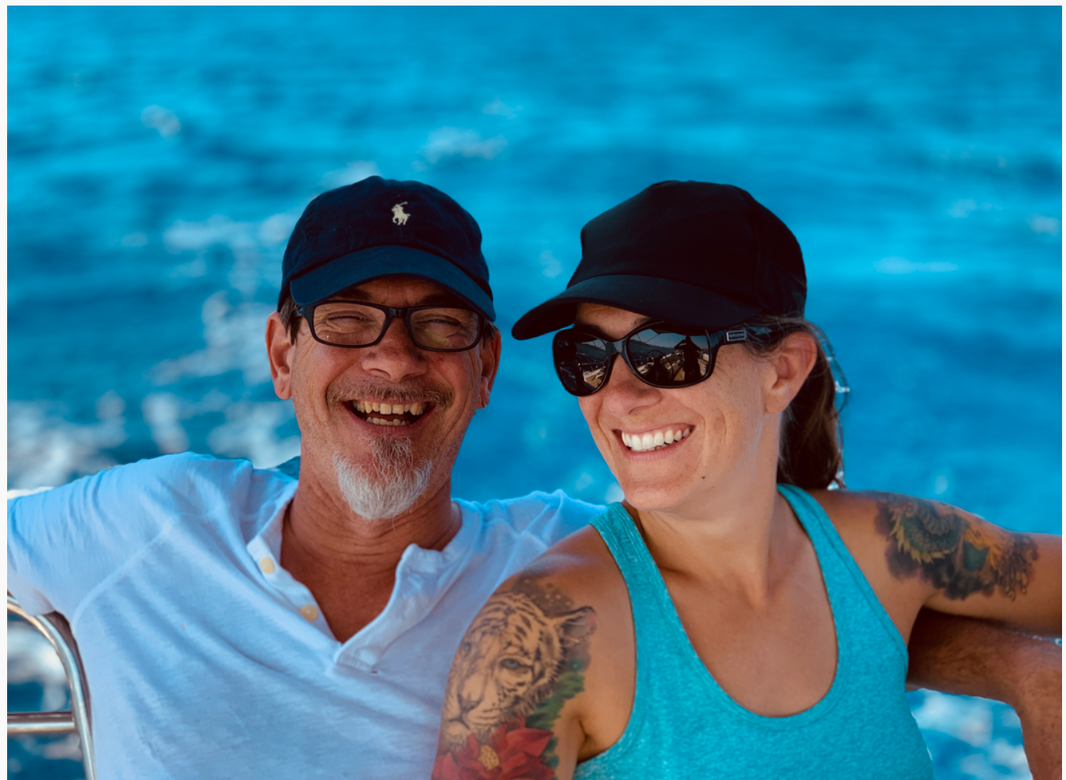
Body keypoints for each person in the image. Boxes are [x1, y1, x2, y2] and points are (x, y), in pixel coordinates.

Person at [6, 178, 1059, 779]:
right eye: (347, 321)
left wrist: (1019, 670)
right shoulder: (146, 521)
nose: (391, 359)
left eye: (438, 326)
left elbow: (766, 604)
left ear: (484, 371)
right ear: (282, 353)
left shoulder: (557, 553)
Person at [432, 181, 1063, 780]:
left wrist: (1036, 673)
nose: (619, 397)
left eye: (668, 350)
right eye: (589, 356)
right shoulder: (543, 640)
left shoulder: (889, 548)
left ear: (782, 373)